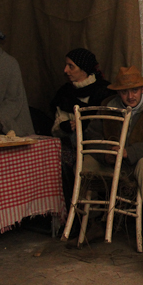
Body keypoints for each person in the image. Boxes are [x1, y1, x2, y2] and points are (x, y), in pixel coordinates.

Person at [83, 66, 143, 255]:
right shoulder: (108, 106)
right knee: (88, 162)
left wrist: (130, 152)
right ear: (118, 92)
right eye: (124, 92)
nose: (130, 96)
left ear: (142, 89)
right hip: (115, 162)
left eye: (134, 90)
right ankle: (93, 221)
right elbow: (91, 136)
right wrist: (106, 154)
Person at [50, 48, 112, 204]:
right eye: (66, 65)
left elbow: (110, 127)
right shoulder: (65, 93)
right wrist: (64, 127)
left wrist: (86, 125)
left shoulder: (104, 92)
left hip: (99, 148)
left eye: (71, 66)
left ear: (84, 69)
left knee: (84, 164)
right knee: (58, 161)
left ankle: (91, 207)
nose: (66, 70)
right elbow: (56, 128)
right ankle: (72, 208)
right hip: (73, 146)